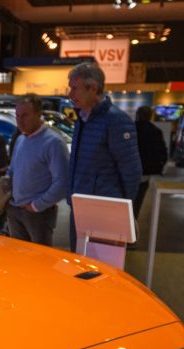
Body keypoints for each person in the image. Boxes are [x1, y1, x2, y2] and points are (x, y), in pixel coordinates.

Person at [66, 62, 142, 252]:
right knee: (79, 264)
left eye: (75, 88)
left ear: (93, 88)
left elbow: (131, 170)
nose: (70, 94)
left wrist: (118, 209)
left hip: (104, 211)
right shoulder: (82, 118)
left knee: (103, 269)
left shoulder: (116, 120)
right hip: (80, 207)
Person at [5, 94, 69, 246]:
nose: (20, 120)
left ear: (38, 114)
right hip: (16, 209)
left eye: (25, 115)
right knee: (19, 259)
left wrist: (37, 206)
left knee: (40, 261)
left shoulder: (53, 143)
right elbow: (12, 171)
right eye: (18, 115)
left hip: (38, 214)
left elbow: (62, 182)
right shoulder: (21, 139)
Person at [133, 105, 168, 219]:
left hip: (129, 171)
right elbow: (162, 151)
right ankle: (133, 224)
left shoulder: (131, 129)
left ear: (137, 115)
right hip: (146, 173)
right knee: (138, 202)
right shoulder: (156, 131)